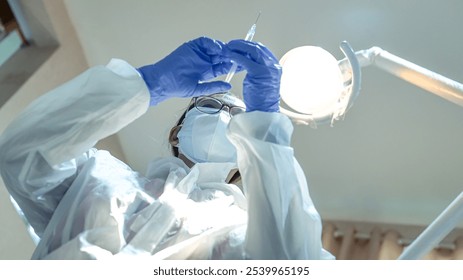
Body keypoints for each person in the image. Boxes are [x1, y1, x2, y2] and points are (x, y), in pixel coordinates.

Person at [0, 36, 333, 260]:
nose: (225, 115)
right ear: (177, 133)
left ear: (243, 159)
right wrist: (149, 82)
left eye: (240, 118)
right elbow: (23, 153)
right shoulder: (95, 175)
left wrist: (265, 130)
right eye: (210, 105)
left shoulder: (249, 229)